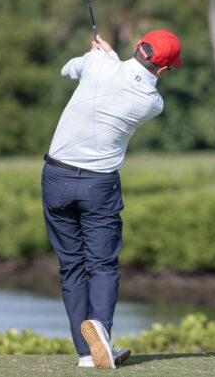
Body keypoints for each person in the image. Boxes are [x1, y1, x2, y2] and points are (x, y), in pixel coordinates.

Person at [41, 30, 181, 369]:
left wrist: (100, 55)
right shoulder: (153, 103)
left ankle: (87, 355)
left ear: (138, 47)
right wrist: (109, 58)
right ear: (163, 69)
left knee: (72, 266)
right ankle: (101, 332)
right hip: (99, 186)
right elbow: (128, 80)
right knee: (102, 266)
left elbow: (67, 69)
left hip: (56, 177)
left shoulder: (99, 63)